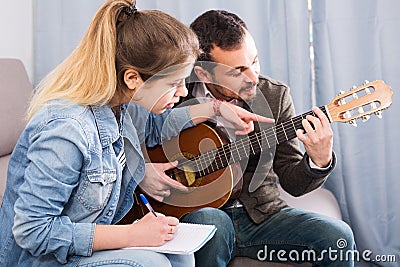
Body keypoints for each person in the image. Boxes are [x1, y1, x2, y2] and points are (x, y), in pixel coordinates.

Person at [0, 2, 272, 266]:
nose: (183, 93)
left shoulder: (122, 106)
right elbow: (32, 231)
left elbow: (157, 129)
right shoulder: (66, 130)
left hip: (83, 249)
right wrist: (133, 235)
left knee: (183, 255)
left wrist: (215, 108)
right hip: (44, 260)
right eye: (174, 83)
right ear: (133, 78)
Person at [178, 10, 356, 266]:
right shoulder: (176, 94)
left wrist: (319, 159)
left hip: (261, 215)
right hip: (202, 214)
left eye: (255, 62)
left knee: (338, 236)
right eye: (238, 70)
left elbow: (293, 182)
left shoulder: (274, 96)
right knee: (211, 222)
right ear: (204, 73)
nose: (253, 78)